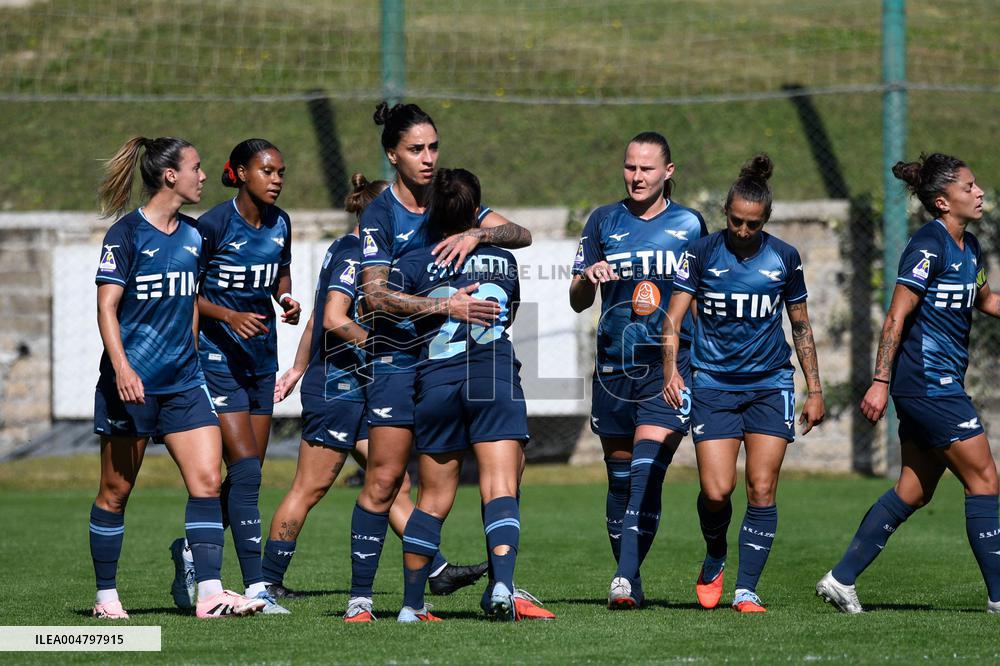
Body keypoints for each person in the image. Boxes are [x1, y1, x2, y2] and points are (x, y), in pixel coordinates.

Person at [347, 101, 552, 622]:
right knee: (387, 478)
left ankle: (468, 594)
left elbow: (522, 234)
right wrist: (447, 304)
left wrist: (477, 234)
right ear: (392, 155)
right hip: (398, 358)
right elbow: (373, 298)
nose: (428, 158)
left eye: (434, 147)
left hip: (442, 366)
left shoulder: (452, 202)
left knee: (468, 480)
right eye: (416, 149)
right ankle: (361, 600)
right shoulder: (382, 214)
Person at [258, 174, 487, 600]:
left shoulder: (369, 253)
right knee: (311, 486)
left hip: (363, 387)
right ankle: (266, 581)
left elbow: (316, 320)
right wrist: (383, 347)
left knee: (392, 481)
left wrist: (295, 368)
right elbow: (331, 319)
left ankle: (434, 568)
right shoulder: (351, 254)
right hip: (338, 387)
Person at [817, 153, 1000, 614]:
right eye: (969, 187)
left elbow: (985, 299)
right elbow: (896, 315)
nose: (979, 193)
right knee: (984, 481)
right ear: (943, 202)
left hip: (936, 385)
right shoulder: (927, 246)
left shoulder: (970, 246)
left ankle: (841, 579)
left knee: (914, 491)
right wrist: (880, 381)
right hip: (926, 384)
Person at [91, 136, 264, 619]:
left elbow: (189, 302)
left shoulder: (194, 236)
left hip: (185, 384)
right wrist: (123, 368)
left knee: (209, 480)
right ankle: (106, 598)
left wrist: (192, 355)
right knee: (115, 492)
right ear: (170, 176)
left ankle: (210, 594)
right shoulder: (125, 235)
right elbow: (106, 307)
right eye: (196, 167)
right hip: (133, 387)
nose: (203, 176)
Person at [663, 154, 825, 613]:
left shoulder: (784, 258)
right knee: (716, 492)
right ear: (725, 214)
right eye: (735, 221)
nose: (742, 231)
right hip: (713, 383)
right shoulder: (700, 253)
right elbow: (672, 319)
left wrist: (815, 389)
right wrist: (671, 370)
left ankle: (746, 588)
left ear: (765, 220)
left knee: (761, 487)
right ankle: (715, 553)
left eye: (752, 224)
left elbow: (801, 326)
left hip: (770, 384)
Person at [569, 132, 707, 609]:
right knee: (621, 478)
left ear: (669, 172)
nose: (637, 176)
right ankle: (630, 574)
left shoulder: (690, 225)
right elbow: (576, 298)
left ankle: (623, 578)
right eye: (630, 167)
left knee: (648, 472)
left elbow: (700, 297)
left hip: (667, 365)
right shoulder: (602, 221)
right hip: (614, 367)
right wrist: (588, 277)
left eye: (647, 168)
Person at [169, 139, 301, 615]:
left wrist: (285, 299)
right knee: (244, 471)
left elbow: (280, 274)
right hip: (217, 359)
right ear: (241, 173)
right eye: (267, 171)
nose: (277, 179)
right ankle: (256, 587)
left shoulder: (282, 222)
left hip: (260, 361)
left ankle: (190, 549)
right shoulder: (212, 226)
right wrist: (227, 316)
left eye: (281, 171)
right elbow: (188, 295)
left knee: (249, 476)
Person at [393, 168, 530, 622]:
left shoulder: (412, 260)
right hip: (492, 377)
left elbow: (397, 318)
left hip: (436, 383)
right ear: (477, 212)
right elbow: (508, 313)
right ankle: (503, 589)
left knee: (432, 500)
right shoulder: (505, 261)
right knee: (499, 486)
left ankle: (412, 605)